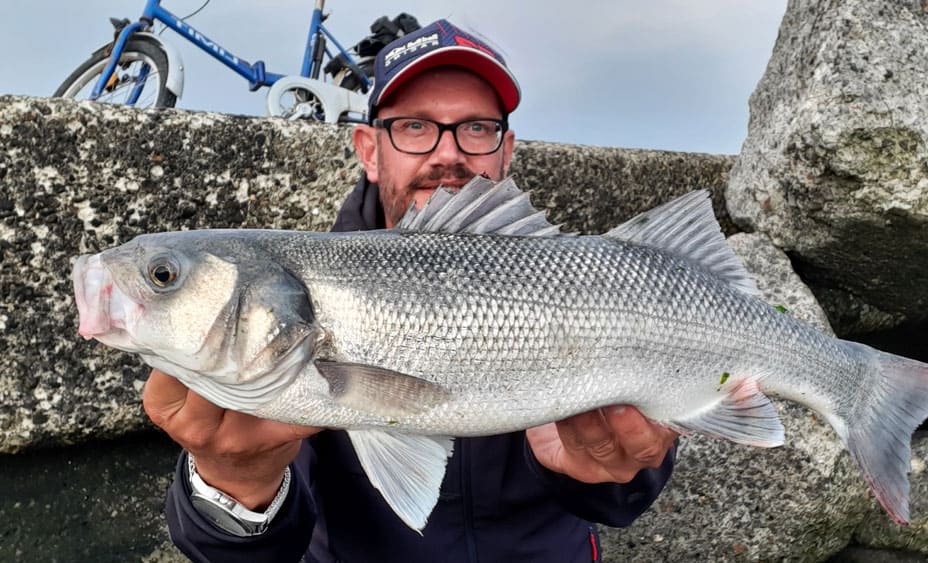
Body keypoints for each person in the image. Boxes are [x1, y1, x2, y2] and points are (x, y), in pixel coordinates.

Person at [145, 19, 679, 562]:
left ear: (506, 149)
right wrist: (233, 482)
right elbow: (248, 556)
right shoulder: (291, 295)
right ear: (370, 150)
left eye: (475, 127)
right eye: (415, 127)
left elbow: (625, 499)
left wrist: (613, 470)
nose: (447, 154)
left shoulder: (582, 283)